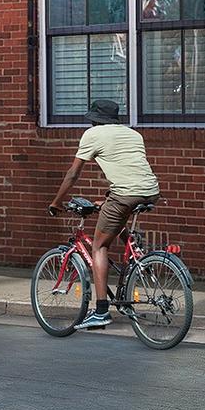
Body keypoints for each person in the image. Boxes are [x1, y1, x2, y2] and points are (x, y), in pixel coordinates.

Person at [46, 98, 160, 331]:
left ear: (95, 120)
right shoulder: (133, 134)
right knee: (116, 213)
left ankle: (100, 311)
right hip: (150, 192)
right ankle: (130, 269)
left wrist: (56, 201)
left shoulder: (92, 135)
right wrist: (108, 198)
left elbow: (73, 174)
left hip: (125, 195)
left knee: (99, 246)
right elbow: (131, 170)